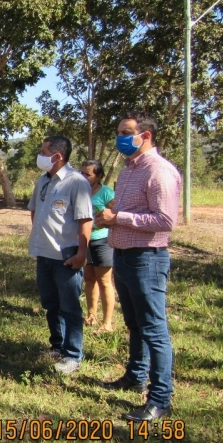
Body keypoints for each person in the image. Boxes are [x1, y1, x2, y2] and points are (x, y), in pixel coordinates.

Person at [96, 115, 181, 422]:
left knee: (154, 330)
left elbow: (166, 220)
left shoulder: (159, 171)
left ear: (145, 135)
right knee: (134, 323)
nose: (120, 138)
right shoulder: (129, 170)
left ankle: (160, 398)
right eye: (118, 132)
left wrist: (118, 218)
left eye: (125, 133)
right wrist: (110, 215)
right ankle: (135, 375)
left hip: (147, 258)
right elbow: (125, 209)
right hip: (124, 255)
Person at [28, 135, 93, 374]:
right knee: (51, 304)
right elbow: (35, 211)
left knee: (69, 306)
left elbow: (86, 220)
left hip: (65, 255)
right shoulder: (43, 180)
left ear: (57, 156)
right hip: (44, 254)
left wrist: (82, 254)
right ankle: (57, 346)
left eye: (44, 151)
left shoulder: (76, 182)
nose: (40, 155)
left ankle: (73, 354)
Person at [80, 159, 116, 333]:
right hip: (85, 240)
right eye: (82, 173)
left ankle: (107, 323)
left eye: (88, 174)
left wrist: (106, 223)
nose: (84, 177)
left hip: (103, 241)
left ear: (99, 176)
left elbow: (116, 214)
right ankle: (91, 315)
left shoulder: (106, 193)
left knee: (104, 281)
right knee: (89, 279)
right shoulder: (79, 191)